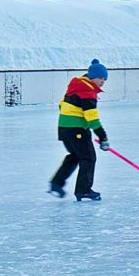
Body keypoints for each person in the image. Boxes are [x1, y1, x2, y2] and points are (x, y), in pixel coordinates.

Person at [49, 59, 110, 201]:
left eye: (104, 79)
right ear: (92, 76)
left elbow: (61, 105)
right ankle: (84, 190)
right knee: (88, 158)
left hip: (64, 129)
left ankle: (56, 183)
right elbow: (92, 118)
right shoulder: (87, 91)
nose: (102, 81)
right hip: (77, 130)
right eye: (100, 78)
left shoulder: (75, 87)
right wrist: (103, 137)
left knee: (75, 156)